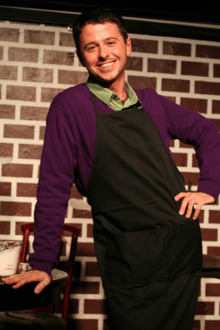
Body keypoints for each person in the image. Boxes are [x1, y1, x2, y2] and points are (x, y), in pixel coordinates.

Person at [2, 7, 220, 330]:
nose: (103, 54)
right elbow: (53, 189)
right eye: (92, 47)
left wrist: (209, 187)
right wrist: (43, 262)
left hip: (179, 254)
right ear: (80, 56)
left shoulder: (153, 103)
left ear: (127, 46)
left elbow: (208, 133)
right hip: (127, 261)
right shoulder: (70, 108)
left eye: (111, 43)